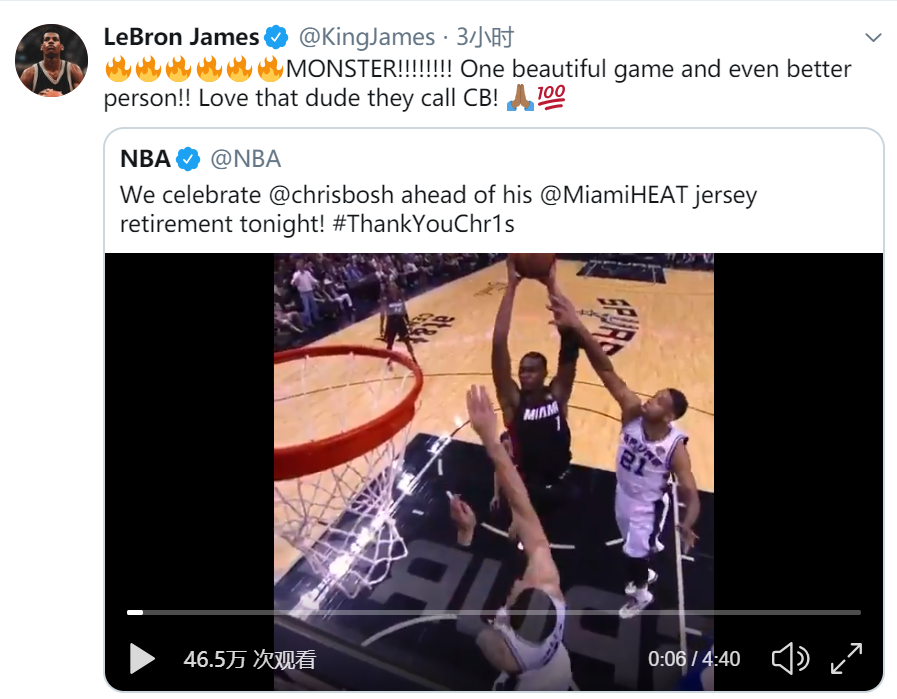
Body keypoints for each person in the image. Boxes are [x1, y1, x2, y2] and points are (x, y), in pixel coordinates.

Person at [546, 290, 701, 619]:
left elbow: (690, 490)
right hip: (623, 492)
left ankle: (641, 593)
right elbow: (606, 370)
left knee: (633, 551)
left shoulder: (675, 447)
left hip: (647, 505)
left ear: (669, 417)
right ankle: (644, 564)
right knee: (632, 545)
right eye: (653, 395)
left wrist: (687, 524)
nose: (649, 400)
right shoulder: (632, 412)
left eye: (658, 402)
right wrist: (577, 327)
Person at [450, 385, 572, 691]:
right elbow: (523, 506)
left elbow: (462, 612)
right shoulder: (547, 582)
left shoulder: (503, 653)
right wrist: (492, 443)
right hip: (558, 664)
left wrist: (466, 534)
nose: (517, 584)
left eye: (516, 593)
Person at [490, 258, 580, 530]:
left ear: (544, 373)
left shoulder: (557, 394)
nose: (524, 374)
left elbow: (570, 343)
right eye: (521, 370)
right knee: (522, 541)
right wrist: (511, 287)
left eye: (531, 370)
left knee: (562, 535)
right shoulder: (514, 402)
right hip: (528, 489)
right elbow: (499, 343)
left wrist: (552, 285)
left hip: (563, 482)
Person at [20, 30, 84, 96]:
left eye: (55, 39)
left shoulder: (74, 70)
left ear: (62, 47)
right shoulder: (29, 74)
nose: (50, 41)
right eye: (46, 39)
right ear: (41, 47)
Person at [379, 281, 418, 368]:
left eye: (394, 286)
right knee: (390, 343)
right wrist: (381, 327)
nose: (393, 288)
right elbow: (382, 314)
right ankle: (389, 360)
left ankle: (413, 357)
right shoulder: (386, 299)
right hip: (391, 322)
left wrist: (408, 323)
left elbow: (404, 311)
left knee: (407, 341)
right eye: (391, 286)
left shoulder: (400, 297)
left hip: (400, 321)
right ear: (389, 289)